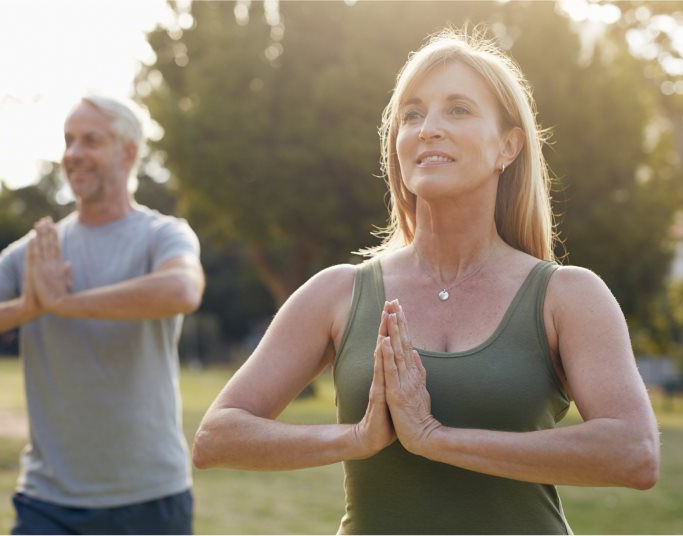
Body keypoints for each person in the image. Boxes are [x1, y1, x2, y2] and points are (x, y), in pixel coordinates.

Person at [191, 29, 659, 534]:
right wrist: (358, 437)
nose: (428, 128)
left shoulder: (567, 295)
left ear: (508, 145)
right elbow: (217, 437)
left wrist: (436, 438)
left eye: (458, 109)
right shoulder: (338, 293)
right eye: (411, 115)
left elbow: (633, 453)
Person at [0, 96, 204, 535]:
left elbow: (182, 289)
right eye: (68, 140)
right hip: (49, 503)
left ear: (128, 152)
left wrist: (65, 304)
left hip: (151, 498)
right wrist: (26, 307)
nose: (73, 154)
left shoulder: (162, 235)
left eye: (91, 140)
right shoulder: (36, 251)